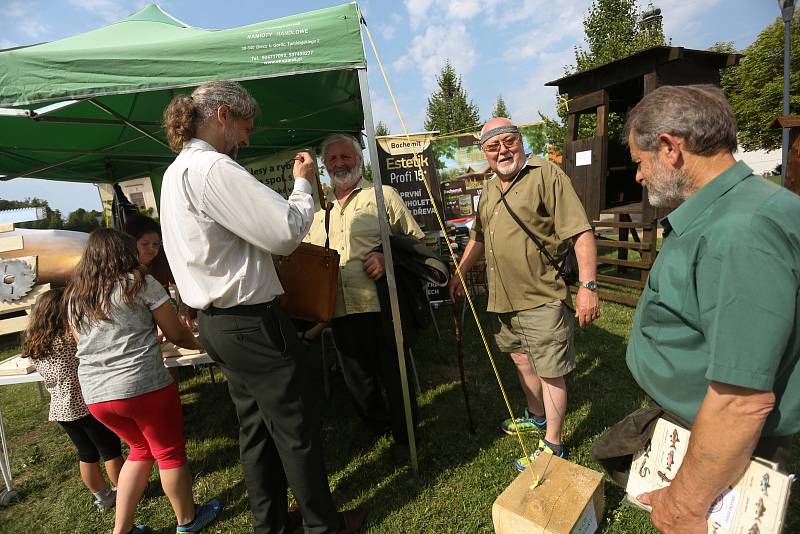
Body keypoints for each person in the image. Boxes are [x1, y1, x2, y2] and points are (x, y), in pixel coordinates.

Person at [159, 81, 363, 534]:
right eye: (246, 127)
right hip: (249, 321)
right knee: (296, 428)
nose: (247, 139)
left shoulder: (176, 172)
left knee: (255, 429)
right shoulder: (213, 168)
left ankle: (269, 525)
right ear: (223, 115)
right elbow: (286, 232)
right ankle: (322, 526)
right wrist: (303, 184)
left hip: (219, 322)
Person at [595, 84, 800, 534]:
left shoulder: (740, 233)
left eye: (639, 161)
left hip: (733, 449)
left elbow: (740, 401)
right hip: (702, 429)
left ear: (669, 148)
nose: (638, 176)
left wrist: (685, 504)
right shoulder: (730, 212)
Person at [449, 118, 599, 470]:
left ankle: (554, 445)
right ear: (484, 153)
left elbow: (580, 231)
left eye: (509, 141)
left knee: (550, 369)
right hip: (504, 298)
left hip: (542, 294)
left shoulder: (546, 175)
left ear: (520, 140)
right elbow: (479, 237)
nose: (503, 150)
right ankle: (537, 416)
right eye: (493, 146)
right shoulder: (488, 189)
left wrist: (589, 287)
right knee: (520, 359)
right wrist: (461, 270)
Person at [66, 228, 220, 534]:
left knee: (139, 450)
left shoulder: (74, 295)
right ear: (125, 253)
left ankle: (121, 530)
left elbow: (82, 342)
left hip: (96, 394)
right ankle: (188, 521)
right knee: (168, 452)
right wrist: (205, 345)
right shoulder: (138, 282)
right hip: (141, 385)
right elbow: (176, 333)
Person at [304, 133, 425, 459]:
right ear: (324, 166)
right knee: (358, 381)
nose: (340, 164)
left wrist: (388, 257)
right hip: (339, 310)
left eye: (346, 157)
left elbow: (419, 245)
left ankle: (405, 436)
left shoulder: (383, 196)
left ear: (359, 159)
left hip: (381, 306)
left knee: (393, 375)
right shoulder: (319, 210)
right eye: (333, 159)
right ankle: (378, 427)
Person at [21, 287, 123, 512]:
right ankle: (127, 491)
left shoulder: (36, 344)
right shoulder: (69, 339)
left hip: (60, 409)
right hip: (85, 403)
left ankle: (103, 497)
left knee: (86, 453)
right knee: (110, 449)